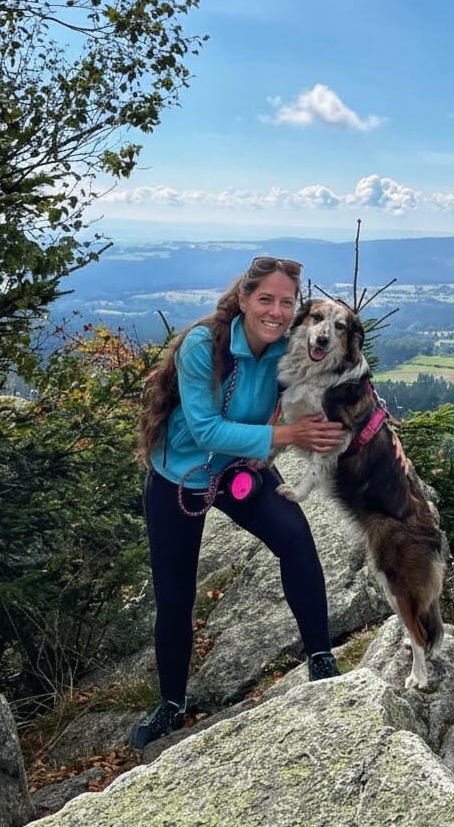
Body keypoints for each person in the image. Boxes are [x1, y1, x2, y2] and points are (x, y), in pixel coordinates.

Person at [131, 256, 345, 749]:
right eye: (265, 299)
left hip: (239, 469)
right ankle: (171, 703)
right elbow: (204, 427)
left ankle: (321, 660)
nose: (275, 311)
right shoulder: (204, 345)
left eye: (286, 302)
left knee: (295, 537)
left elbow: (333, 377)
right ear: (244, 299)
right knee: (175, 593)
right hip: (179, 473)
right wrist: (287, 434)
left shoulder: (287, 348)